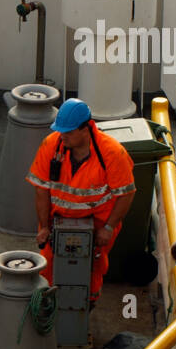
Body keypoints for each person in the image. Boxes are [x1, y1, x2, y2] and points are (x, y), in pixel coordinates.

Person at [27, 98, 136, 304]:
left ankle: (87, 305)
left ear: (86, 128)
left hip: (98, 225)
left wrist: (109, 228)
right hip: (56, 221)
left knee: (92, 267)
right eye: (61, 131)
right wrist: (43, 226)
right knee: (49, 265)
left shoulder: (112, 153)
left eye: (68, 132)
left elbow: (126, 194)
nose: (62, 136)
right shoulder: (52, 145)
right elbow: (41, 190)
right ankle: (50, 304)